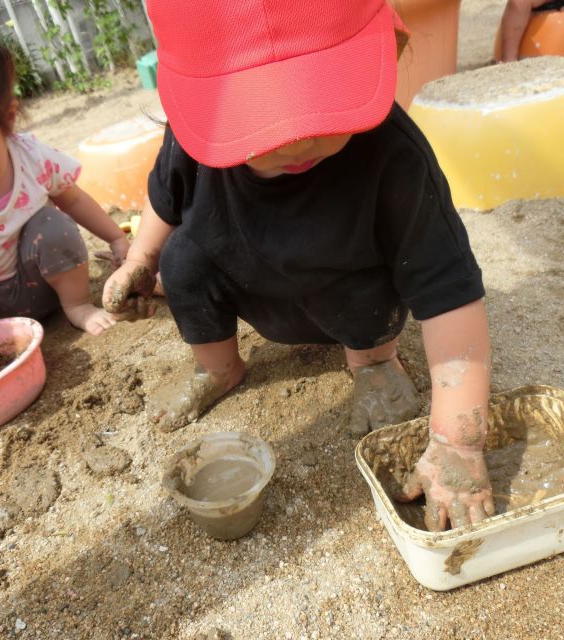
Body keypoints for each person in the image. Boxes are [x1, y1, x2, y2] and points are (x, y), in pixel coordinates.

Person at [103, 0, 494, 531]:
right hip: (245, 280)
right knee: (182, 257)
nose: (298, 138)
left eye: (324, 99)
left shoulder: (395, 157)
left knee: (368, 290)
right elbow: (164, 200)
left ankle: (374, 364)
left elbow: (449, 293)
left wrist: (457, 440)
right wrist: (140, 261)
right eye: (256, 116)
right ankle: (217, 367)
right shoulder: (192, 136)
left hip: (347, 293)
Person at [0, 14, 129, 388]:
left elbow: (74, 198)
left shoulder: (32, 158)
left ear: (7, 119)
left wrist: (117, 238)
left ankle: (77, 306)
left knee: (52, 223)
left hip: (42, 280)